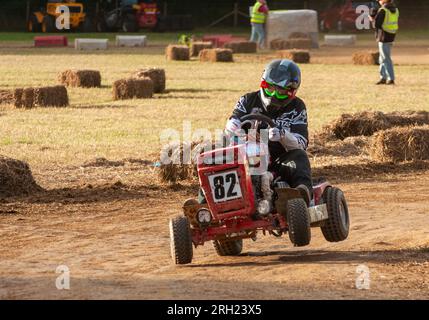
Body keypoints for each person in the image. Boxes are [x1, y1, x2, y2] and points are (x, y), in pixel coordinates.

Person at [225, 59, 313, 204]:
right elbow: (233, 122)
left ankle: (301, 194)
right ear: (263, 84)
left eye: (280, 92)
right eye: (270, 88)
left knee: (299, 156)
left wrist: (283, 136)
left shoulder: (297, 107)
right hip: (245, 158)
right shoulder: (247, 100)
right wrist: (232, 125)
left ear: (291, 91)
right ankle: (204, 206)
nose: (273, 95)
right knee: (215, 159)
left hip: (279, 163)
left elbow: (301, 143)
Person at [370, 0, 399, 85]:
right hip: (391, 35)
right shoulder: (396, 9)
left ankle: (391, 79)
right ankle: (383, 78)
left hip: (383, 36)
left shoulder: (383, 10)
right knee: (382, 58)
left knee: (386, 58)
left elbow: (377, 25)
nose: (378, 1)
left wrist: (372, 19)